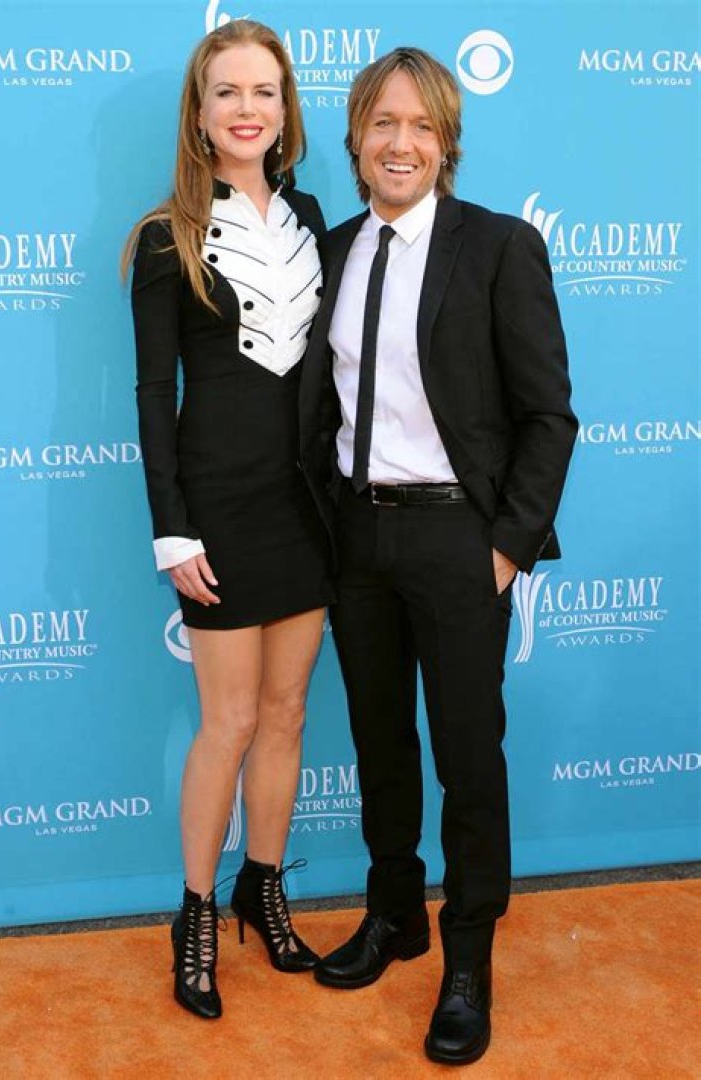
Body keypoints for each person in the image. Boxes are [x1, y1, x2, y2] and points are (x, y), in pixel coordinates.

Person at [299, 48, 577, 1065]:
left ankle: (467, 958)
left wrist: (505, 550)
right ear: (356, 139)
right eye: (383, 123)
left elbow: (549, 415)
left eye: (421, 125)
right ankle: (393, 916)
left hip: (461, 538)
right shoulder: (332, 250)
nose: (401, 143)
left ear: (447, 142)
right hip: (357, 538)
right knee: (379, 744)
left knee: (466, 755)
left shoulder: (498, 247)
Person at [123, 20, 334, 1021]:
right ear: (199, 112)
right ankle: (197, 911)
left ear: (285, 111)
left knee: (288, 716)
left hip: (307, 510)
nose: (248, 108)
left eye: (265, 91)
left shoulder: (313, 217)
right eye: (228, 91)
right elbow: (150, 393)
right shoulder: (164, 235)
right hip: (216, 508)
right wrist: (173, 529)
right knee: (231, 721)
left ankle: (265, 886)